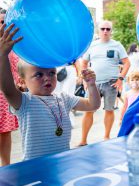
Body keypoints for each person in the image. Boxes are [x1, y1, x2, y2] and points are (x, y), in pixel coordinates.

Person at [0, 23, 101, 161]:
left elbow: (92, 105)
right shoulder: (25, 102)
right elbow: (6, 88)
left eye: (52, 72)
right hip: (35, 167)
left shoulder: (64, 98)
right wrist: (3, 55)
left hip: (62, 163)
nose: (47, 77)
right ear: (22, 82)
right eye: (39, 75)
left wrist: (91, 85)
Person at [78, 21, 130, 146]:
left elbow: (127, 63)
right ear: (98, 30)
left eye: (108, 29)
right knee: (88, 110)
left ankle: (106, 137)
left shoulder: (117, 45)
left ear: (111, 31)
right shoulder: (92, 46)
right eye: (103, 29)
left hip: (111, 82)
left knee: (109, 110)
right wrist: (85, 79)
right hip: (93, 83)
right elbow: (83, 63)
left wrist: (120, 79)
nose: (105, 31)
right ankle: (83, 140)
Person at [0, 9, 20, 166]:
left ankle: (5, 166)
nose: (3, 26)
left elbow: (18, 68)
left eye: (5, 23)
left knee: (5, 132)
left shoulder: (15, 46)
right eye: (0, 22)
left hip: (5, 94)